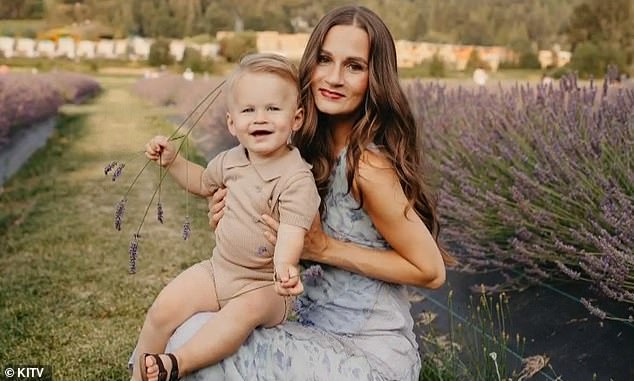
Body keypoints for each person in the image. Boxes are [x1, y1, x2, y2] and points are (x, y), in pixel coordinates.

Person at [131, 4, 454, 380]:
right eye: (325, 60)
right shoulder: (301, 150)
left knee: (198, 347)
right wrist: (235, 215)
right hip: (310, 323)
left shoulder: (366, 166)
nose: (334, 77)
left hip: (367, 353)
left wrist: (324, 248)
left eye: (354, 66)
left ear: (374, 78)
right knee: (189, 327)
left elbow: (430, 271)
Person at [131, 53, 321, 381]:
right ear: (232, 123)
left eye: (273, 109)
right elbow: (203, 183)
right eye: (248, 110)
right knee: (165, 307)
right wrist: (174, 162)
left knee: (241, 313)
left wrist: (284, 270)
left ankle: (177, 363)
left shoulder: (296, 177)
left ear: (297, 118)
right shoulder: (230, 161)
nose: (260, 118)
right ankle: (138, 375)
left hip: (266, 287)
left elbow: (291, 231)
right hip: (220, 270)